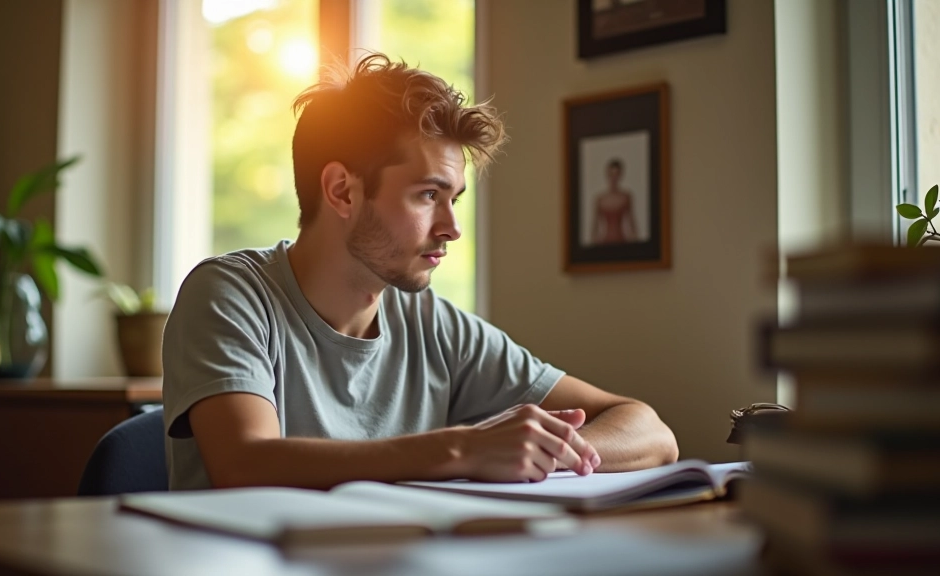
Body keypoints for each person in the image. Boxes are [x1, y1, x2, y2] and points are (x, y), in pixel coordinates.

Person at [162, 54, 678, 491]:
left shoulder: (435, 326)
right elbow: (246, 464)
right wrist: (464, 449)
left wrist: (547, 451)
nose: (452, 228)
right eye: (428, 195)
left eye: (454, 199)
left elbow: (651, 433)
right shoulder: (228, 294)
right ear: (342, 190)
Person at [592, 159, 639, 244]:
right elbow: (595, 226)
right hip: (604, 242)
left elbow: (632, 223)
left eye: (616, 174)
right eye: (611, 174)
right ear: (607, 174)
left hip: (622, 241)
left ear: (620, 175)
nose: (613, 178)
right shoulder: (600, 199)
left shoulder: (626, 197)